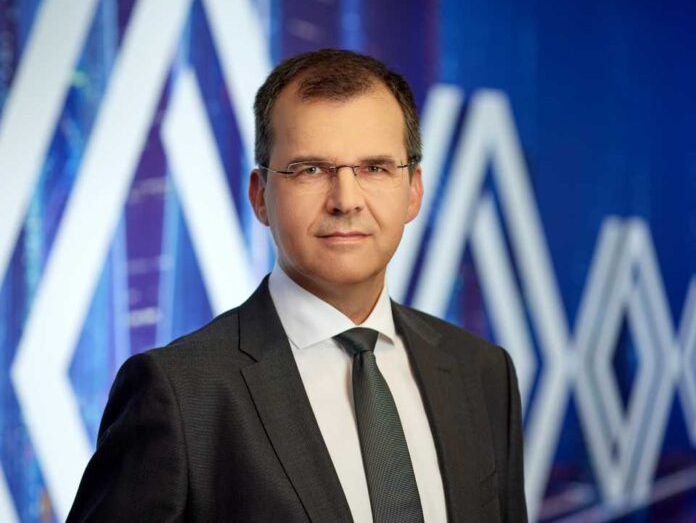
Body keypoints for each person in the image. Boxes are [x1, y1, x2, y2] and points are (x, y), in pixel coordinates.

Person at [67, 48, 527, 522]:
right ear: (260, 196)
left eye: (374, 168)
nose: (346, 200)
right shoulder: (178, 394)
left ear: (413, 191)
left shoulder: (482, 372)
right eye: (311, 170)